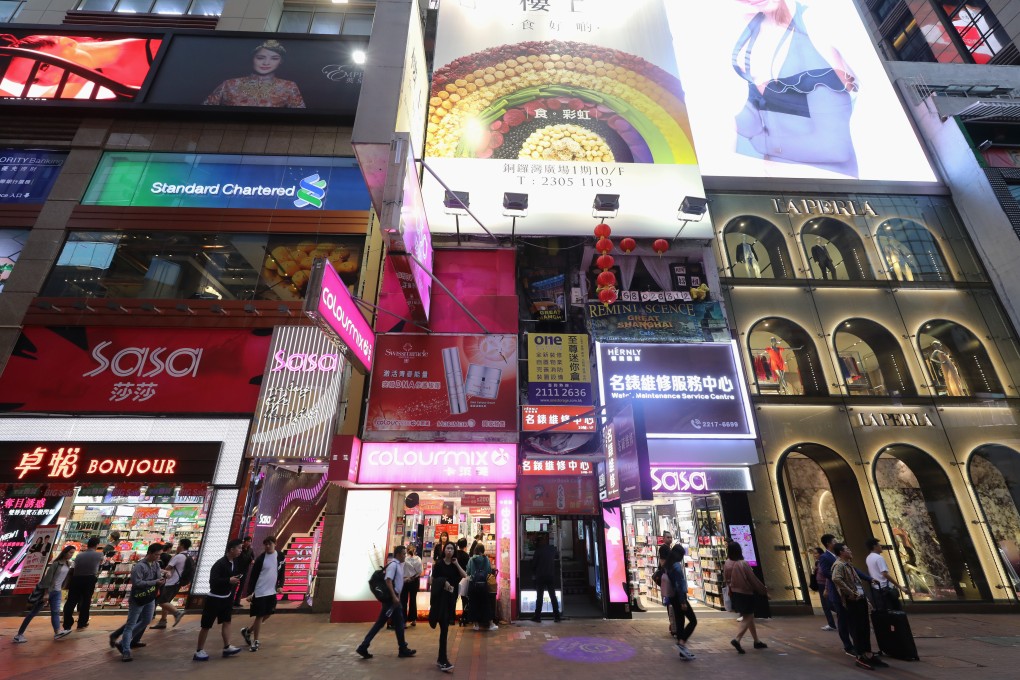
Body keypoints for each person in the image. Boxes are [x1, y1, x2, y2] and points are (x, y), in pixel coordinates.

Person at [730, 0, 859, 177]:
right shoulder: (750, 35)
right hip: (777, 188)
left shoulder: (815, 24)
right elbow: (755, 118)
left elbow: (834, 146)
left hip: (828, 186)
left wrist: (766, 145)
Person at [831, 543, 888, 670]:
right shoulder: (839, 565)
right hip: (852, 601)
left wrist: (869, 580)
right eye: (847, 549)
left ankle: (868, 653)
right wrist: (850, 593)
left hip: (860, 599)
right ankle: (860, 656)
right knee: (857, 628)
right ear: (841, 552)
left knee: (864, 626)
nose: (850, 551)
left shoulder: (848, 564)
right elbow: (836, 579)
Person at [203, 40, 306, 108]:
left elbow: (300, 116)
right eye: (260, 58)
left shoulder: (288, 86)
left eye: (274, 58)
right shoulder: (230, 84)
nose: (266, 63)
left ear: (281, 61)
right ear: (252, 58)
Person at [355, 545, 416, 660]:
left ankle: (401, 648)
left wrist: (405, 580)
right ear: (398, 554)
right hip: (392, 601)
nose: (405, 556)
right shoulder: (393, 565)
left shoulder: (397, 565)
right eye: (403, 554)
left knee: (396, 623)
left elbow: (393, 580)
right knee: (388, 623)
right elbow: (388, 581)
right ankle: (401, 648)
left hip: (393, 600)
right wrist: (394, 597)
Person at [193, 538, 244, 661]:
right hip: (214, 599)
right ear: (231, 549)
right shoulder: (219, 563)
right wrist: (228, 580)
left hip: (226, 598)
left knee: (227, 621)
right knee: (206, 625)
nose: (240, 551)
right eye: (239, 548)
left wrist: (234, 579)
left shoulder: (234, 562)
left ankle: (227, 647)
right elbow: (213, 582)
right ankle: (199, 650)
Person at [13, 545, 76, 643]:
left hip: (57, 592)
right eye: (70, 552)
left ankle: (57, 632)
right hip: (48, 591)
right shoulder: (56, 564)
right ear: (65, 552)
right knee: (33, 613)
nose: (71, 554)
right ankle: (19, 634)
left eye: (73, 552)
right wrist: (46, 594)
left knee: (55, 612)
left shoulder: (68, 564)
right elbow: (47, 579)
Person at [116, 543, 166, 662]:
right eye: (156, 555)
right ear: (149, 553)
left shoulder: (156, 564)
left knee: (147, 620)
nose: (158, 557)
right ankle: (126, 650)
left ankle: (123, 643)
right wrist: (154, 582)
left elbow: (157, 578)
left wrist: (162, 578)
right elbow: (137, 583)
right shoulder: (139, 566)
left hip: (150, 597)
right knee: (131, 624)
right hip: (138, 598)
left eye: (159, 555)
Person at [240, 536, 286, 653]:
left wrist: (280, 585)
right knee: (259, 616)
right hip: (260, 591)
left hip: (271, 590)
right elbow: (253, 576)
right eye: (265, 544)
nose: (267, 546)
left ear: (275, 544)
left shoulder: (280, 556)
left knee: (269, 613)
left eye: (269, 544)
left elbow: (282, 572)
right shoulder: (261, 559)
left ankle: (248, 631)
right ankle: (255, 641)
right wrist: (250, 593)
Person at [724, 541, 768, 654]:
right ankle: (737, 639)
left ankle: (756, 641)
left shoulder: (727, 563)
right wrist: (763, 590)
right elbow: (752, 579)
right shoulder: (742, 563)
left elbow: (726, 579)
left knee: (749, 615)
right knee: (748, 616)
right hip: (745, 593)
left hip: (734, 592)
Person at [430, 542, 468, 672]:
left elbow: (465, 576)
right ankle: (443, 659)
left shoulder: (454, 565)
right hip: (440, 600)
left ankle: (441, 659)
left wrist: (456, 563)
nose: (450, 550)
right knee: (444, 629)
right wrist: (443, 582)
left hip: (450, 601)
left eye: (452, 549)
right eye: (448, 548)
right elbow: (432, 580)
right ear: (444, 550)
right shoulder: (439, 564)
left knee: (445, 629)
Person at [63, 536, 103, 631]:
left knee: (71, 601)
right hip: (89, 579)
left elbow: (75, 566)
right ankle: (82, 623)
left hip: (76, 579)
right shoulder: (99, 555)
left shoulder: (79, 555)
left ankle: (67, 624)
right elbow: (101, 564)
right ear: (96, 545)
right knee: (86, 601)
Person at [150, 538, 191, 629]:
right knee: (166, 601)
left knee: (161, 601)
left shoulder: (178, 556)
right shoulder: (188, 555)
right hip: (178, 582)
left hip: (172, 582)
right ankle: (163, 621)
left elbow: (168, 568)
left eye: (178, 544)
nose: (177, 547)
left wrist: (159, 570)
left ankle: (177, 613)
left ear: (182, 545)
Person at [667, 543, 696, 658]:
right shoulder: (676, 566)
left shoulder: (669, 565)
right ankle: (682, 642)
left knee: (680, 621)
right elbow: (679, 585)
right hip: (680, 598)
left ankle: (682, 650)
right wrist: (683, 601)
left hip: (673, 597)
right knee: (693, 620)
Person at [865, 538, 908, 610]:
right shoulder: (879, 558)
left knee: (886, 610)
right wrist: (900, 587)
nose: (881, 547)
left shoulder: (868, 558)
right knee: (895, 610)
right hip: (886, 588)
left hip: (877, 588)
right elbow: (884, 574)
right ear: (875, 546)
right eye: (879, 545)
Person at [530, 533, 561, 623]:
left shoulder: (538, 551)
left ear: (539, 542)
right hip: (550, 575)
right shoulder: (552, 549)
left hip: (541, 576)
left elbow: (534, 565)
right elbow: (556, 556)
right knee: (553, 596)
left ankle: (538, 616)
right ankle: (557, 616)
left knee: (540, 597)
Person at [466, 544, 497, 631]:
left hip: (473, 584)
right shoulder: (486, 559)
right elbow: (489, 571)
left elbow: (468, 571)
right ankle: (490, 624)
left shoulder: (471, 559)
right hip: (483, 584)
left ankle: (476, 625)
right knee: (486, 604)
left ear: (475, 550)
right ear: (483, 550)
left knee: (473, 604)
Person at [810, 546, 837, 631]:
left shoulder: (823, 562)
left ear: (821, 554)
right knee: (825, 606)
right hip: (820, 585)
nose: (814, 555)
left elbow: (826, 576)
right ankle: (831, 624)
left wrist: (826, 588)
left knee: (830, 604)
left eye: (816, 553)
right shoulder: (817, 563)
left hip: (826, 585)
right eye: (813, 554)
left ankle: (844, 615)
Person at [401, 543, 423, 628]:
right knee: (413, 600)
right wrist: (413, 577)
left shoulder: (404, 559)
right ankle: (413, 620)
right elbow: (420, 571)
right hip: (414, 580)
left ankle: (404, 622)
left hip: (405, 580)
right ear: (415, 550)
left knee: (404, 600)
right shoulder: (418, 559)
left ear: (406, 551)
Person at [234, 536, 254, 607]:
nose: (249, 543)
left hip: (245, 570)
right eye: (248, 541)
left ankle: (237, 601)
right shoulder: (240, 548)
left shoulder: (250, 550)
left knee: (241, 587)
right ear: (244, 541)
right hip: (237, 570)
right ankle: (231, 601)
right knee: (234, 586)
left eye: (250, 541)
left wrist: (252, 561)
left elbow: (252, 558)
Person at [454, 538, 471, 624]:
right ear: (465, 545)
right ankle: (465, 616)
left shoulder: (455, 554)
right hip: (463, 579)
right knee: (464, 598)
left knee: (453, 598)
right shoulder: (466, 555)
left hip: (454, 578)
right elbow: (468, 568)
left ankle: (451, 618)